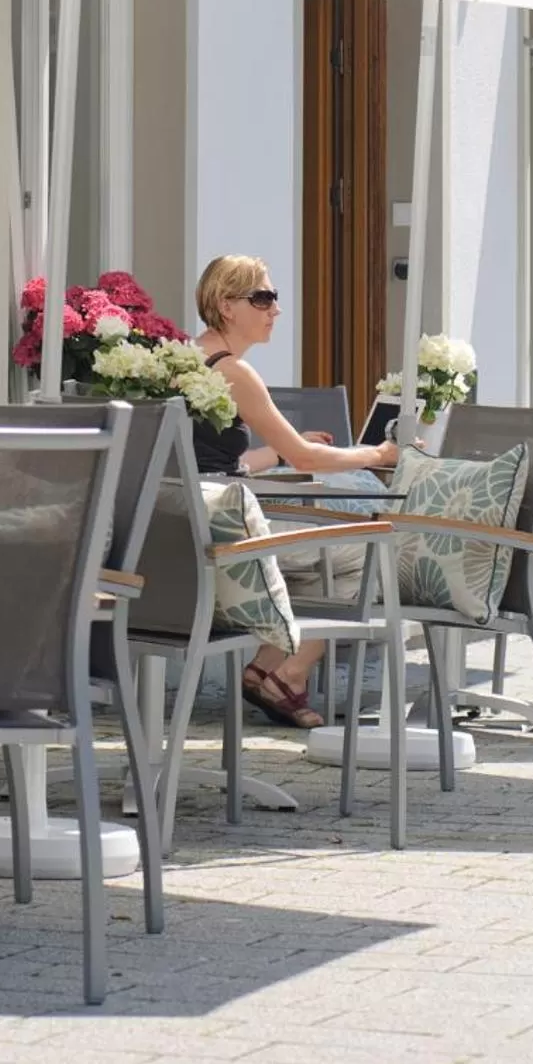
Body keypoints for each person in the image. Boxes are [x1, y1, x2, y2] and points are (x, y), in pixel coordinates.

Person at [193, 252, 401, 731]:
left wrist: (283, 453)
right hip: (231, 537)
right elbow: (311, 463)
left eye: (274, 298)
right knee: (370, 555)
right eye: (262, 298)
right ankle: (284, 671)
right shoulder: (233, 372)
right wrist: (378, 455)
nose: (275, 310)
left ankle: (272, 669)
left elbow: (219, 462)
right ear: (227, 305)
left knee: (335, 540)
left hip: (200, 522)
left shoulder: (187, 358)